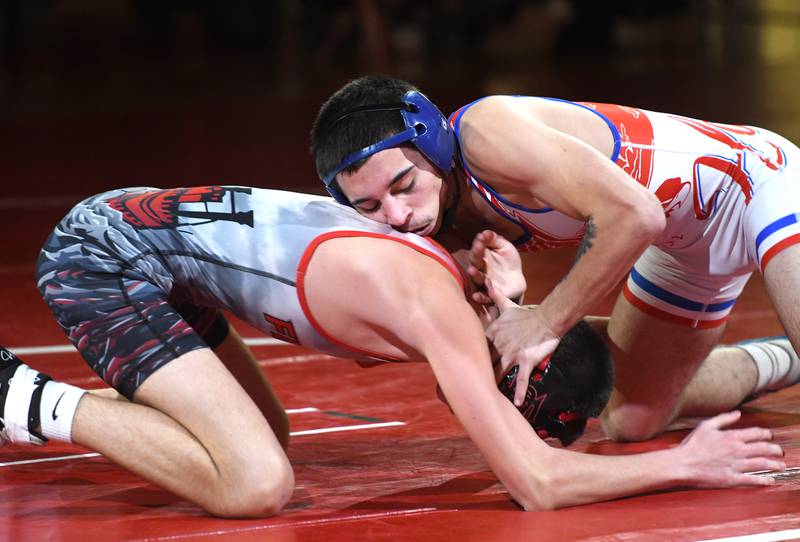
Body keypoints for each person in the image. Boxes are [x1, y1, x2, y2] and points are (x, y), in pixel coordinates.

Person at [0, 186, 783, 518]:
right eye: (514, 411)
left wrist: (516, 302)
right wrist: (680, 466)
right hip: (103, 258)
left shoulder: (485, 305)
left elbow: (525, 327)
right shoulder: (446, 316)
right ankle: (17, 395)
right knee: (254, 484)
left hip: (148, 251)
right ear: (516, 374)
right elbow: (539, 486)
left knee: (258, 444)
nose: (485, 418)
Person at [310, 74, 800, 443]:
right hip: (682, 245)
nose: (396, 214)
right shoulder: (425, 229)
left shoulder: (488, 134)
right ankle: (784, 359)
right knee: (632, 421)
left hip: (758, 184)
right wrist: (505, 309)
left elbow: (636, 216)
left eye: (404, 186)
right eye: (369, 206)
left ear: (434, 146)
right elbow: (435, 361)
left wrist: (545, 320)